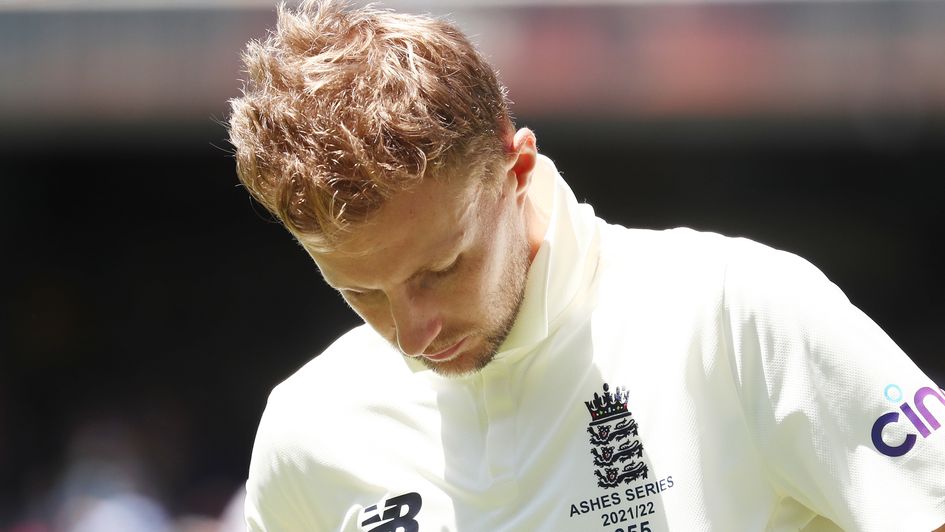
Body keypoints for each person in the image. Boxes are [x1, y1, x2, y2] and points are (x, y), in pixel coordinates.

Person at [227, 1, 945, 530]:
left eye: (441, 270)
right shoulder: (307, 429)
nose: (413, 334)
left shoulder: (736, 310)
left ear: (516, 168)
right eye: (360, 292)